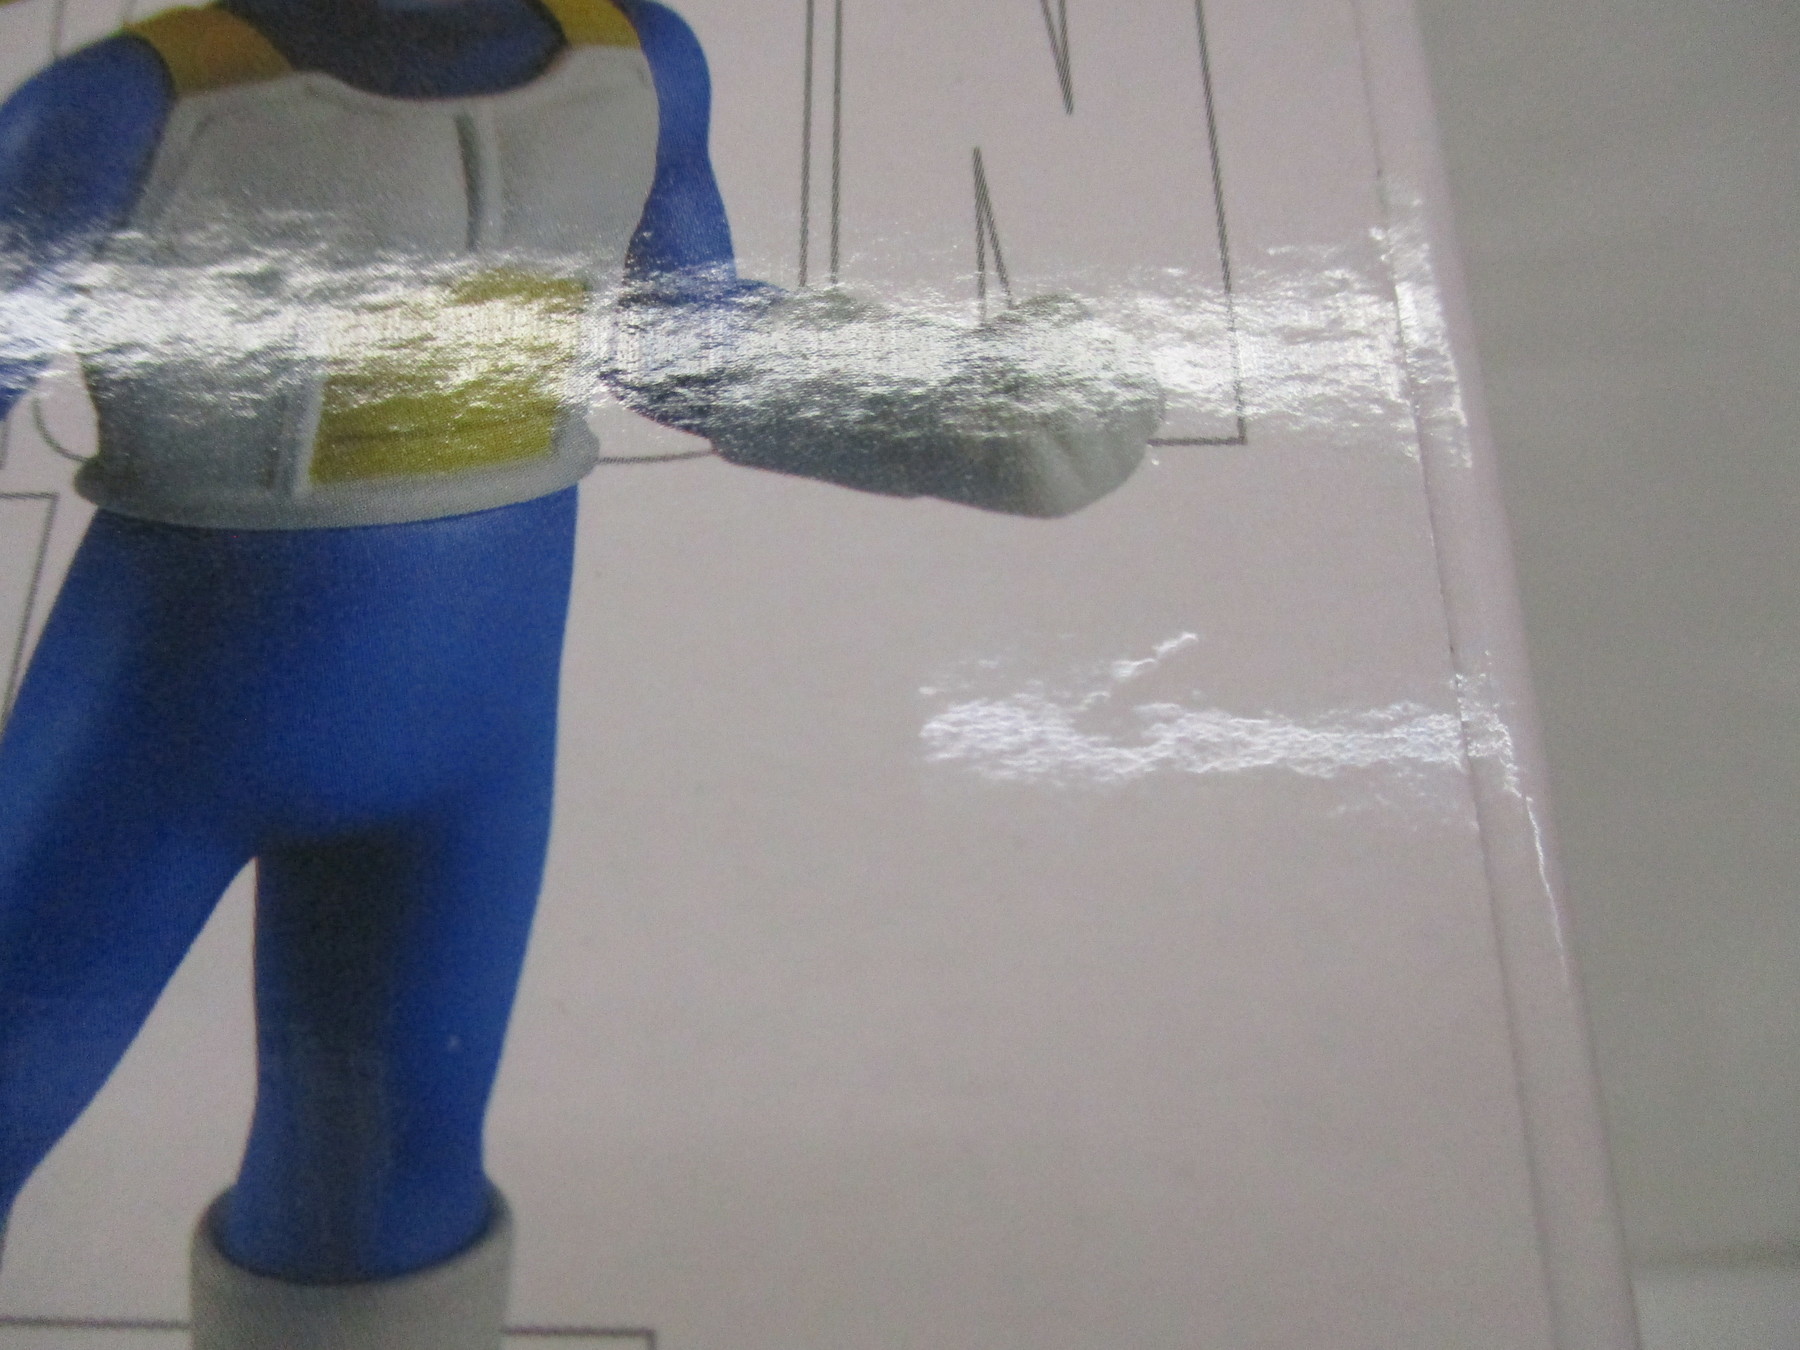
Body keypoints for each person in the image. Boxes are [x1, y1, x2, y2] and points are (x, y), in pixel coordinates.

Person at [0, 0, 1160, 1343]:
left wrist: (952, 405)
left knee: (381, 1186)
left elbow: (693, 345)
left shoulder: (633, 65)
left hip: (467, 763)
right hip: (155, 735)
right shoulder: (129, 109)